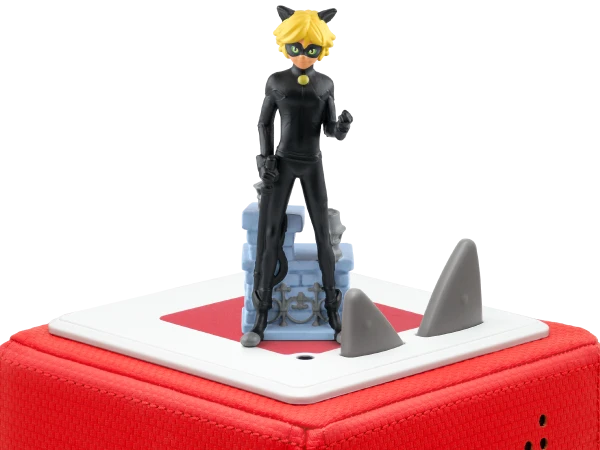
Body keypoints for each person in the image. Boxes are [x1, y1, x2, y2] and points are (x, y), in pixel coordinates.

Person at [241, 7, 353, 347]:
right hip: (283, 161)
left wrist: (342, 127)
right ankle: (260, 318)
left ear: (323, 48)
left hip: (312, 163)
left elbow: (330, 128)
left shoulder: (325, 84)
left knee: (323, 236)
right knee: (268, 234)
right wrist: (265, 160)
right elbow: (264, 123)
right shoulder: (277, 82)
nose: (303, 54)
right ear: (284, 45)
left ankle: (334, 314)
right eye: (295, 47)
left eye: (311, 48)